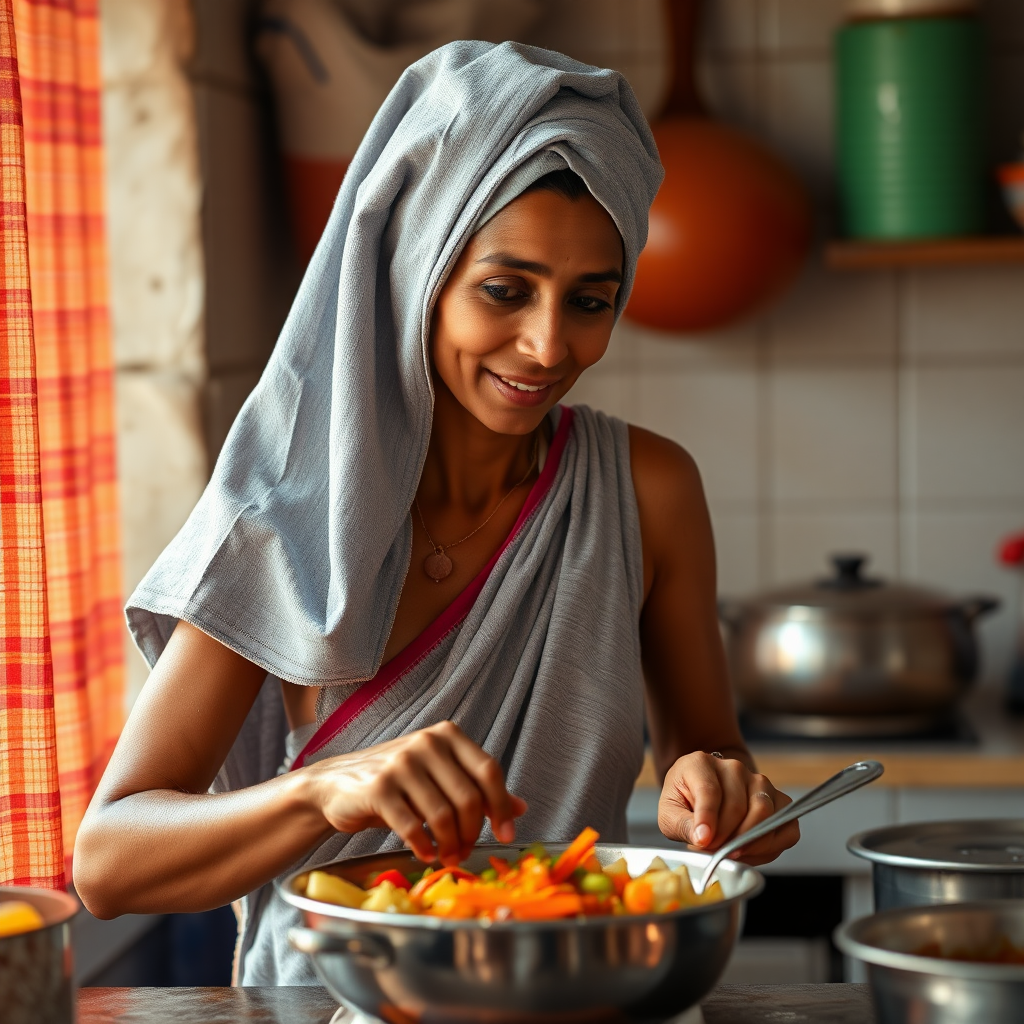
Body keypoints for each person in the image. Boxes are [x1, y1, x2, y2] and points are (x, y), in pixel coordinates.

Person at [73, 41, 799, 984]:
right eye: (505, 290)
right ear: (418, 267)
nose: (546, 345)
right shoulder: (281, 518)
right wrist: (323, 791)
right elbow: (109, 863)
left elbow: (707, 751)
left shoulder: (647, 490)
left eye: (591, 300)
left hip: (580, 995)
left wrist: (719, 790)